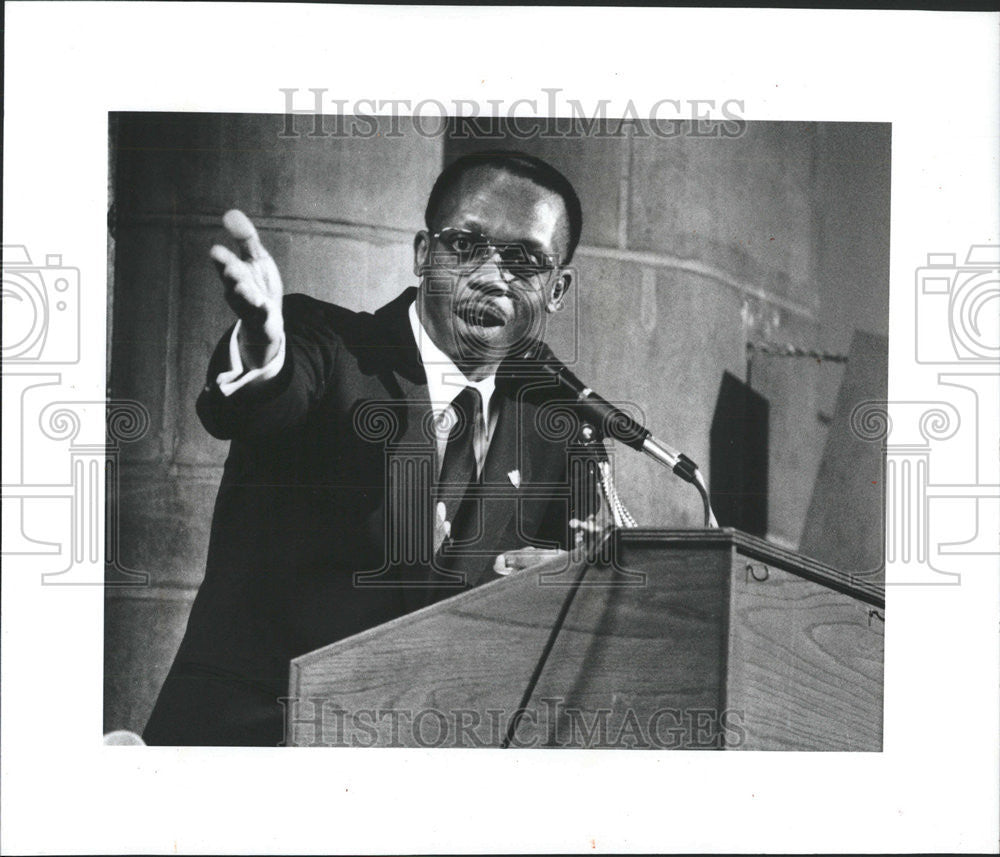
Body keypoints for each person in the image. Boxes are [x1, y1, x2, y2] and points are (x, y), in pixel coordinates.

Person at [143, 151, 609, 746]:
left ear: (557, 288)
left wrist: (578, 587)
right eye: (466, 245)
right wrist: (262, 352)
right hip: (253, 750)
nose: (493, 275)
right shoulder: (332, 348)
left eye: (525, 260)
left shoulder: (557, 430)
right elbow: (267, 392)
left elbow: (587, 606)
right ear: (423, 254)